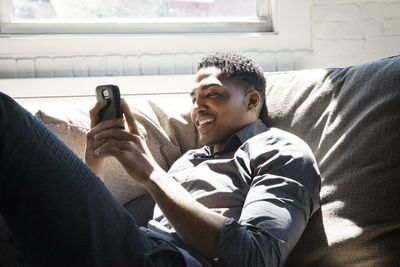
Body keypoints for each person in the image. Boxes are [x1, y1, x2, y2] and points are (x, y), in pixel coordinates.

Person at [0, 52, 320, 266]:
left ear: (252, 100)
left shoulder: (281, 150)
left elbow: (255, 256)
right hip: (139, 249)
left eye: (211, 94)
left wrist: (152, 173)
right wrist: (93, 165)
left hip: (168, 260)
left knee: (7, 119)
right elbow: (102, 234)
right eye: (194, 100)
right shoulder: (188, 160)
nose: (197, 109)